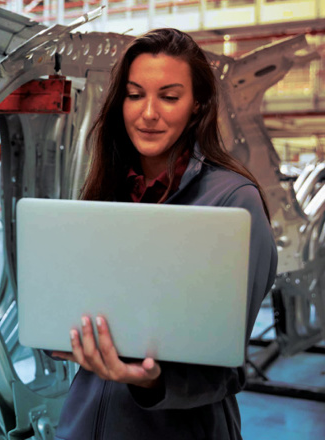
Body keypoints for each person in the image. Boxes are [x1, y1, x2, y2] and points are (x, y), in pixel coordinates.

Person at [51, 28, 278, 440]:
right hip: (85, 424)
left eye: (169, 97)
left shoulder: (233, 202)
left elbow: (227, 370)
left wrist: (150, 380)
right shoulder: (107, 192)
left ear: (197, 106)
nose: (148, 113)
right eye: (135, 94)